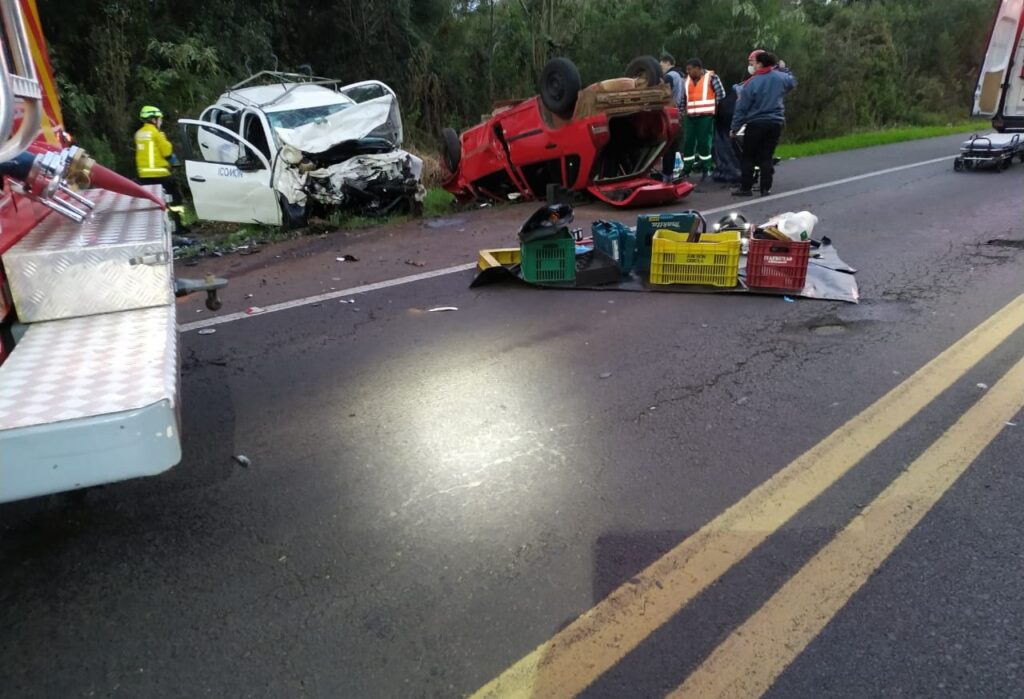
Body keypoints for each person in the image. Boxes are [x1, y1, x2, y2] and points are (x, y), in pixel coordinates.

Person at [730, 51, 796, 197]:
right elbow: (791, 82)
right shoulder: (780, 77)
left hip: (756, 123)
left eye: (753, 63)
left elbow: (742, 108)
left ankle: (746, 187)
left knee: (748, 156)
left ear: (760, 63)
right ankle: (765, 188)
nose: (752, 66)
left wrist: (735, 127)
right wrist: (784, 69)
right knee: (766, 156)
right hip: (775, 123)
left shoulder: (751, 82)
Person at [680, 58, 726, 181]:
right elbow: (683, 98)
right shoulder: (686, 80)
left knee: (704, 142)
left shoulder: (711, 77)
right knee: (688, 143)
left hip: (706, 116)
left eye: (690, 69)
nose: (688, 72)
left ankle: (707, 167)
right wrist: (681, 112)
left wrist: (717, 111)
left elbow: (721, 95)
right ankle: (686, 168)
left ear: (698, 68)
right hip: (690, 117)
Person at [134, 105, 182, 205]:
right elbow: (167, 151)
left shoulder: (138, 134)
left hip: (143, 176)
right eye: (159, 119)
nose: (161, 122)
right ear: (153, 120)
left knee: (151, 202)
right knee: (175, 198)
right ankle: (177, 218)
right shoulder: (157, 133)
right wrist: (175, 162)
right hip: (160, 174)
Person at [658, 53, 685, 183]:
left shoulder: (669, 76)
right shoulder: (681, 76)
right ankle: (669, 175)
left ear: (668, 63)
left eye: (661, 64)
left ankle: (666, 176)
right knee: (673, 146)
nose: (660, 66)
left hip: (667, 114)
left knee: (666, 146)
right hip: (677, 114)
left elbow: (662, 94)